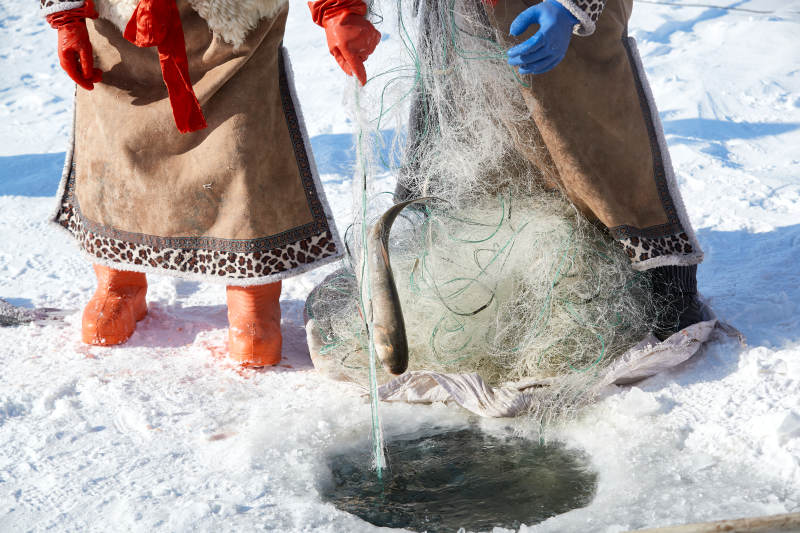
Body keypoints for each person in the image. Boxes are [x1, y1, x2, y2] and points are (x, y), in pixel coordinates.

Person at [41, 0, 380, 365]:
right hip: (118, 22)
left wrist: (338, 9)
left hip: (234, 26)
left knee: (241, 152)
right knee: (118, 149)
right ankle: (119, 281)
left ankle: (253, 297)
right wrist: (66, 15)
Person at [395, 0, 707, 339]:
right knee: (489, 158)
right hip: (462, 18)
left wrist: (571, 7)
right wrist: (350, 11)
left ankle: (659, 283)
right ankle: (522, 284)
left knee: (595, 150)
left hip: (557, 17)